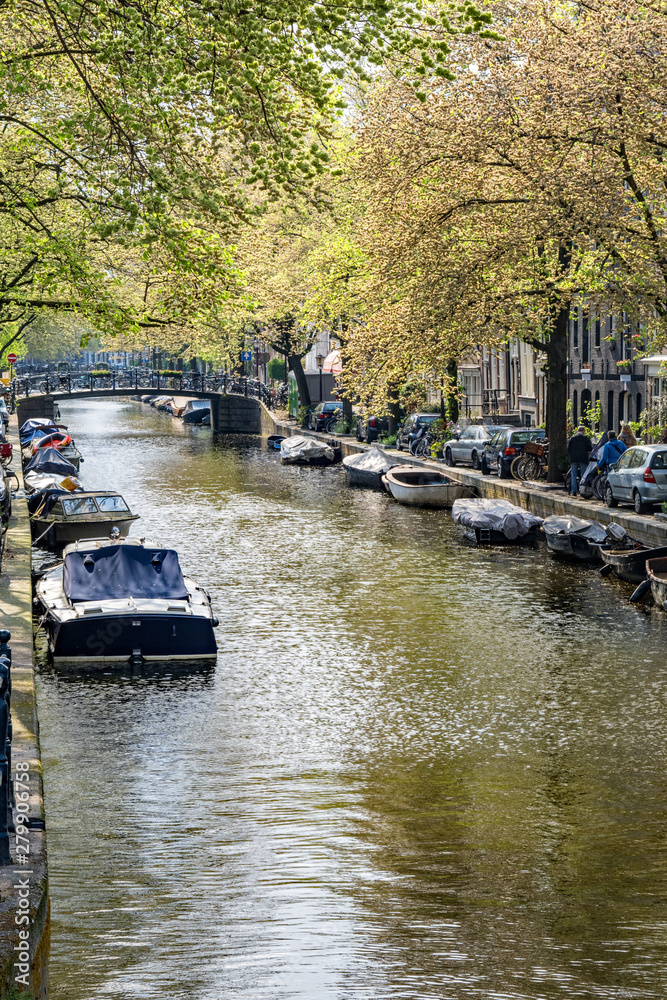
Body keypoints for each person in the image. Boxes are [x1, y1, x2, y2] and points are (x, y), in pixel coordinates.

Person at [567, 425, 592, 495]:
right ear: (583, 431)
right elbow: (590, 448)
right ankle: (582, 491)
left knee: (573, 474)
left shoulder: (572, 439)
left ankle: (574, 490)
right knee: (583, 475)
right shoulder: (586, 439)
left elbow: (568, 449)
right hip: (582, 458)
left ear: (577, 431)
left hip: (573, 459)